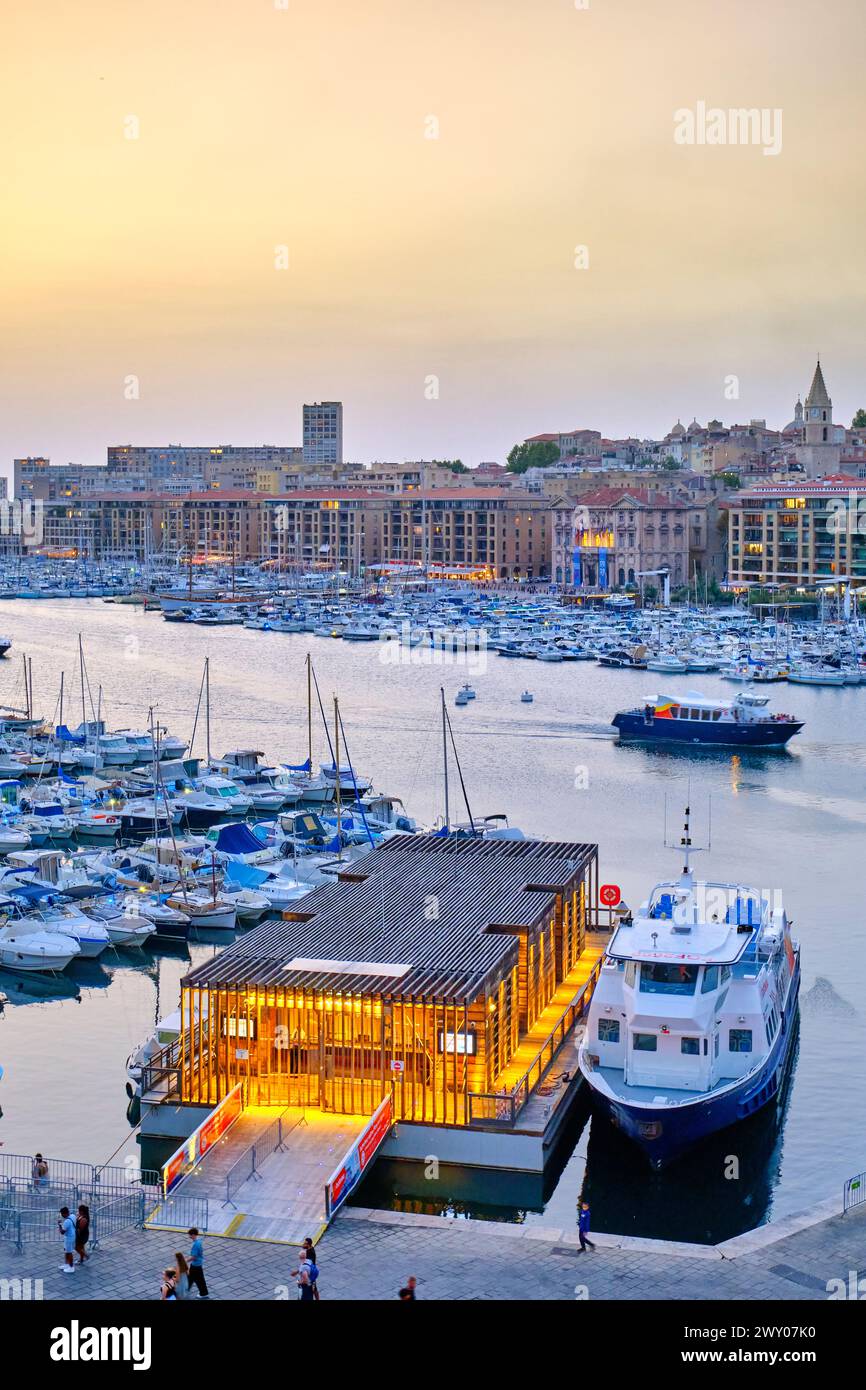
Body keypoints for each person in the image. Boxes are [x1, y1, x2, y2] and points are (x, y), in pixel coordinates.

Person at [187, 1228, 209, 1298]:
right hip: (198, 1263)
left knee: (197, 1279)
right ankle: (186, 1290)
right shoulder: (199, 1242)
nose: (189, 1237)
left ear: (193, 1235)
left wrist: (186, 1260)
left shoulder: (195, 1244)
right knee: (192, 1278)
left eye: (190, 1235)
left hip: (195, 1265)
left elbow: (194, 1257)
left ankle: (203, 1293)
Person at [58, 1206, 76, 1273]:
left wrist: (59, 1224)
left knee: (69, 1252)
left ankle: (71, 1267)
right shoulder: (73, 1216)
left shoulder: (67, 1222)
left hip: (69, 1238)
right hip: (72, 1236)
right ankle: (66, 1264)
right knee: (66, 1250)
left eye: (62, 1215)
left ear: (65, 1213)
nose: (62, 1216)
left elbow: (62, 1232)